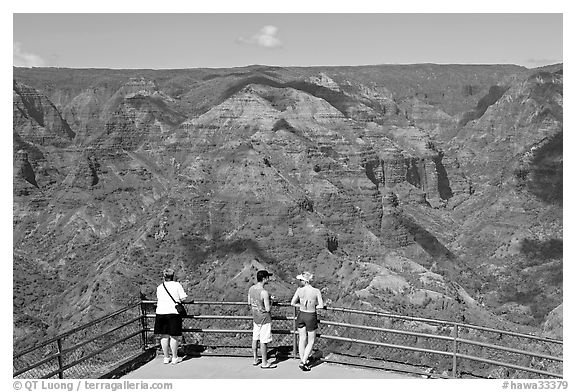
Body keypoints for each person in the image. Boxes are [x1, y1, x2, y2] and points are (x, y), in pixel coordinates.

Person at [290, 271, 324, 371]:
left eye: (301, 280)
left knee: (302, 339)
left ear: (305, 281)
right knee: (311, 341)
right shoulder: (316, 291)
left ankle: (303, 360)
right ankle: (303, 361)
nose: (300, 281)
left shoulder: (299, 290)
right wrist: (314, 306)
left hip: (301, 314)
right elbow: (321, 305)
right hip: (310, 315)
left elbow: (292, 303)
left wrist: (300, 305)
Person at [154, 268, 187, 365]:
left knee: (164, 336)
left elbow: (158, 298)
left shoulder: (160, 287)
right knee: (174, 336)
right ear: (173, 276)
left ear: (164, 276)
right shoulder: (177, 285)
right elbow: (183, 298)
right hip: (173, 312)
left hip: (160, 312)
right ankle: (174, 357)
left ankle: (166, 357)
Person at [248, 270, 276, 369]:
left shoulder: (251, 289)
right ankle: (264, 362)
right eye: (267, 277)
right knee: (263, 341)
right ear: (264, 278)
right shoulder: (264, 292)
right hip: (264, 318)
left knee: (255, 338)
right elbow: (268, 309)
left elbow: (249, 302)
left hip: (256, 317)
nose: (269, 279)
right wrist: (271, 300)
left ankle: (255, 359)